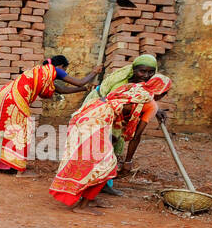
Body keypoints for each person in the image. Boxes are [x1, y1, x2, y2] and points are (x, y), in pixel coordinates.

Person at [0, 56, 98, 172]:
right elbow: (80, 82)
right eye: (65, 70)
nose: (65, 73)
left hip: (4, 94)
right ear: (60, 66)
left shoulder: (42, 73)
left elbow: (62, 90)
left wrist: (82, 89)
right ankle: (12, 164)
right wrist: (94, 72)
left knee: (2, 129)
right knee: (22, 129)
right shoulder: (54, 70)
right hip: (16, 97)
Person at [49, 82, 153, 214]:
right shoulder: (136, 104)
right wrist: (126, 159)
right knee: (106, 166)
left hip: (86, 124)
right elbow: (135, 135)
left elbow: (113, 129)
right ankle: (82, 206)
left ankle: (88, 200)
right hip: (89, 128)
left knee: (99, 166)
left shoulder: (114, 99)